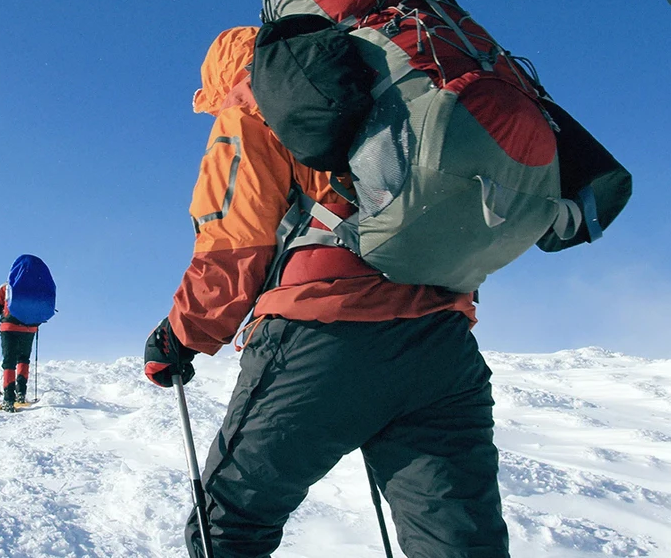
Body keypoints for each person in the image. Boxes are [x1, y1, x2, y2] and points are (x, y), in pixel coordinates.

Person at [143, 27, 510, 557]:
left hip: (324, 337)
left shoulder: (252, 105)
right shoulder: (386, 88)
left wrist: (180, 337)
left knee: (227, 526)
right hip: (443, 342)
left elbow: (233, 244)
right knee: (457, 540)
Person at [0, 283, 37, 412]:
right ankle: (21, 393)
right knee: (23, 359)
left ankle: (8, 400)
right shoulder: (35, 286)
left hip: (9, 328)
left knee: (9, 362)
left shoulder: (5, 287)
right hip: (29, 328)